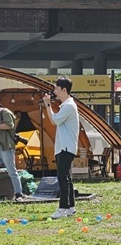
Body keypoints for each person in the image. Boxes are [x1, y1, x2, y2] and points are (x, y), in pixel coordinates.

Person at [44, 76, 79, 219]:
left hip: (65, 147)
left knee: (62, 178)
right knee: (67, 178)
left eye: (56, 89)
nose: (54, 92)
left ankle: (62, 208)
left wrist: (47, 105)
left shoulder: (69, 106)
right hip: (65, 146)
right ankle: (70, 207)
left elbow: (54, 120)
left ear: (64, 90)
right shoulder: (67, 105)